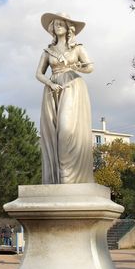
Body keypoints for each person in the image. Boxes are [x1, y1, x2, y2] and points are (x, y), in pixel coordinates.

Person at [35, 12, 95, 184]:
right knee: (55, 132)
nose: (58, 25)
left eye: (62, 22)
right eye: (55, 23)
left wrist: (78, 67)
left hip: (72, 86)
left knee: (66, 128)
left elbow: (90, 67)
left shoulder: (77, 48)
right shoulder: (48, 51)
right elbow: (38, 74)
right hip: (53, 90)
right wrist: (50, 84)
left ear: (69, 27)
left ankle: (69, 176)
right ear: (52, 28)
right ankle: (59, 178)